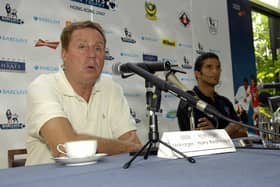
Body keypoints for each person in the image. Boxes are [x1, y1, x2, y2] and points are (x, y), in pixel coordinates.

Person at [25, 21, 142, 165]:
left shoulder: (111, 88)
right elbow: (65, 147)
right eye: (82, 47)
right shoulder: (43, 86)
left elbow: (134, 144)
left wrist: (127, 147)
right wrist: (125, 147)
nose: (92, 55)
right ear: (64, 54)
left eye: (98, 48)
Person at [176, 52, 247, 138]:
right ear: (197, 73)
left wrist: (216, 133)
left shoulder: (225, 102)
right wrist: (226, 132)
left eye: (218, 67)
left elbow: (243, 133)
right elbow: (197, 140)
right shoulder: (189, 102)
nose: (215, 71)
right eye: (209, 67)